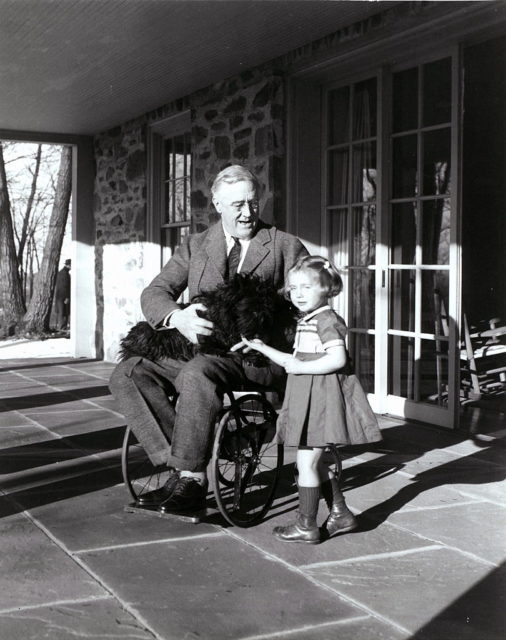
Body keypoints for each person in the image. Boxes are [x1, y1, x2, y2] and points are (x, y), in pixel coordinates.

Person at [110, 165, 308, 514]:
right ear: (217, 204)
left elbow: (307, 310)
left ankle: (192, 478)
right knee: (129, 372)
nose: (248, 213)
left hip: (253, 358)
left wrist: (269, 340)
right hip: (202, 349)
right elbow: (155, 292)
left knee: (197, 373)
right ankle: (183, 465)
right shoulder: (197, 244)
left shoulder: (284, 246)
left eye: (253, 203)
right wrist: (177, 317)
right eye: (237, 205)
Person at [237, 255, 382, 544]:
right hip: (310, 397)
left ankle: (307, 525)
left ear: (327, 289)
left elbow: (337, 359)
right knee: (313, 462)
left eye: (306, 287)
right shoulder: (310, 319)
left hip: (321, 401)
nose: (298, 294)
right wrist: (262, 347)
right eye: (293, 288)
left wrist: (302, 367)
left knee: (305, 464)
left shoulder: (327, 320)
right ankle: (341, 514)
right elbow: (294, 360)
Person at [54, 259, 71, 330]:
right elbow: (64, 286)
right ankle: (62, 329)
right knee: (63, 313)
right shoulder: (64, 274)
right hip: (63, 297)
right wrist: (67, 297)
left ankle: (62, 328)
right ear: (69, 265)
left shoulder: (62, 272)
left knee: (62, 313)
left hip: (60, 296)